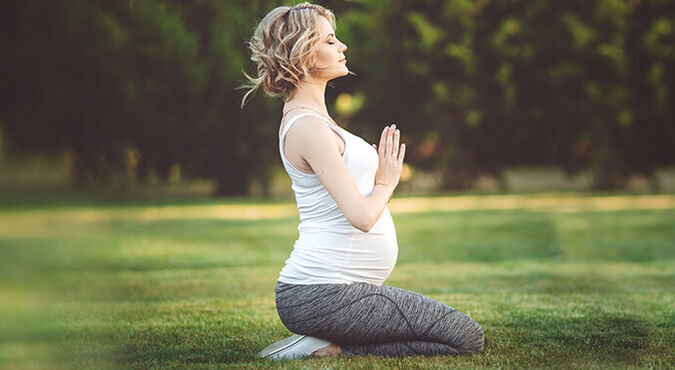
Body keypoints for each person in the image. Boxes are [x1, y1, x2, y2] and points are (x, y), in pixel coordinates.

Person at [240, 2, 484, 359]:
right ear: (304, 53)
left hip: (331, 291)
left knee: (461, 338)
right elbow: (362, 217)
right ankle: (323, 349)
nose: (342, 47)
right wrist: (386, 181)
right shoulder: (307, 126)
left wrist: (374, 174)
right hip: (322, 293)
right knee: (466, 337)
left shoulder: (315, 121)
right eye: (330, 41)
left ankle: (328, 347)